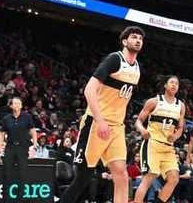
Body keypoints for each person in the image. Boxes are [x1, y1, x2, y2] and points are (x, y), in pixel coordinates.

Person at [58, 26, 144, 203]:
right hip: (96, 124)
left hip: (117, 127)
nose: (138, 40)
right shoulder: (114, 59)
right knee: (83, 178)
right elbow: (89, 90)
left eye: (140, 38)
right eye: (134, 37)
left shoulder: (137, 69)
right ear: (124, 41)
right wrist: (100, 120)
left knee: (121, 175)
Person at [133, 75, 186, 203]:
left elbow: (180, 128)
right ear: (165, 85)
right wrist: (143, 130)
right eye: (171, 82)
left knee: (174, 178)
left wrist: (175, 136)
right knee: (150, 177)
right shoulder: (154, 101)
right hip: (152, 144)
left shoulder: (181, 106)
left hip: (168, 147)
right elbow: (138, 121)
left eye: (176, 83)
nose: (174, 85)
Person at [0, 97, 38, 203]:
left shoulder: (27, 117)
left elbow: (33, 132)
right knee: (6, 174)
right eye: (15, 103)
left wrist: (34, 146)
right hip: (10, 148)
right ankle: (6, 199)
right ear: (11, 106)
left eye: (19, 103)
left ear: (21, 106)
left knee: (22, 175)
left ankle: (20, 200)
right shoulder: (6, 119)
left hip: (23, 148)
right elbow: (1, 135)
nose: (17, 105)